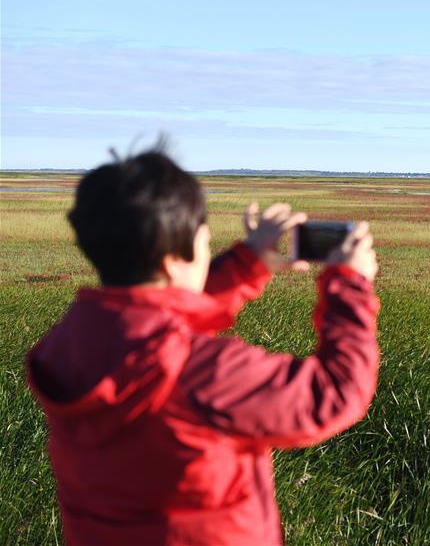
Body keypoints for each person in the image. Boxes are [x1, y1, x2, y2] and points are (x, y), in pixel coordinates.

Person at [25, 144, 380, 545]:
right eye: (204, 243)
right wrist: (349, 286)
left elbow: (151, 317)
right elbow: (336, 392)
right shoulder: (205, 373)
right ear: (174, 260)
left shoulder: (69, 344)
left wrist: (249, 263)